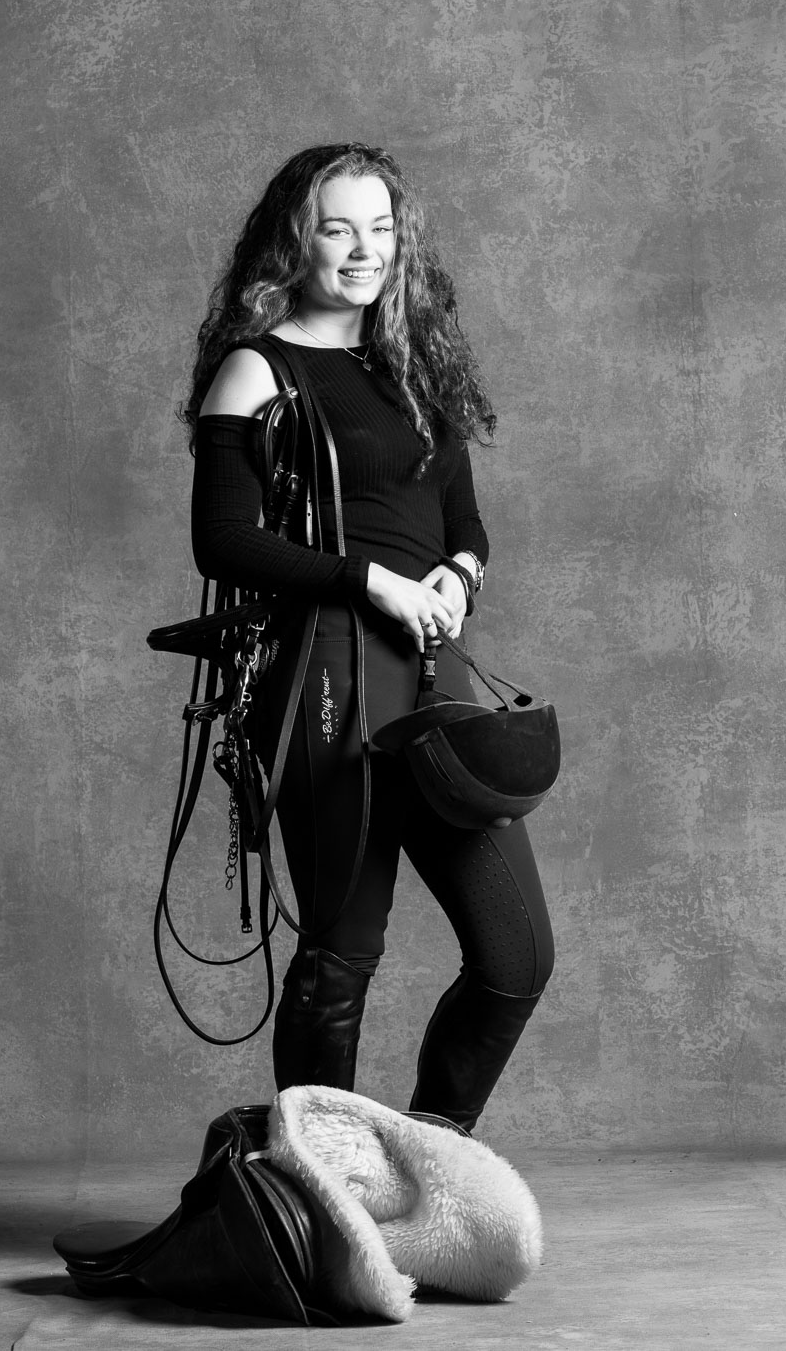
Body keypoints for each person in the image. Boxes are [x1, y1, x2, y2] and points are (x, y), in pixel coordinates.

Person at [182, 143, 554, 1132]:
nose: (363, 250)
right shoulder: (256, 369)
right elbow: (222, 540)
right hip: (327, 678)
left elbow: (464, 522)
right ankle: (322, 1182)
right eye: (337, 229)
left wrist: (458, 576)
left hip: (429, 677)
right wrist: (371, 581)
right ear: (294, 241)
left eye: (380, 229)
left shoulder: (415, 364)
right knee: (342, 951)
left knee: (516, 956)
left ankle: (428, 1162)